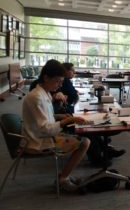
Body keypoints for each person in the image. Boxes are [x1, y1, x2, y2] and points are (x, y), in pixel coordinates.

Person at [21, 59, 90, 192]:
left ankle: (64, 176)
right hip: (38, 141)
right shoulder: (36, 97)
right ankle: (63, 179)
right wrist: (65, 121)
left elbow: (46, 118)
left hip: (40, 135)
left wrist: (61, 117)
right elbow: (44, 129)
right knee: (85, 142)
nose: (59, 85)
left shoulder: (43, 93)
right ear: (46, 77)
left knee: (81, 136)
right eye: (57, 81)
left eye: (61, 82)